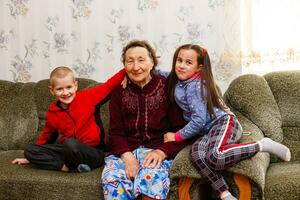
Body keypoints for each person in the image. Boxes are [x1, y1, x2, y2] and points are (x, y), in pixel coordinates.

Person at [163, 44, 291, 200]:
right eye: (179, 60)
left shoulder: (195, 87)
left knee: (215, 157)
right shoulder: (180, 81)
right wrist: (145, 66)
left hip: (224, 123)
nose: (181, 65)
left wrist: (176, 136)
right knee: (196, 154)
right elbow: (160, 74)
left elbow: (198, 121)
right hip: (208, 131)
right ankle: (224, 193)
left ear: (199, 68)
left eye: (188, 62)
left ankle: (262, 144)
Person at [101, 40, 187, 200]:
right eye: (130, 61)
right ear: (124, 65)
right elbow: (115, 132)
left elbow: (181, 130)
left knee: (150, 179)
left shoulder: (168, 87)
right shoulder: (118, 91)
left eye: (141, 60)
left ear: (152, 62)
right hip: (125, 152)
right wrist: (128, 158)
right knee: (112, 179)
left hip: (157, 151)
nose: (135, 67)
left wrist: (162, 152)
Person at [12, 66, 125, 172]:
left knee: (70, 143)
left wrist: (130, 67)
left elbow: (109, 85)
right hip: (68, 152)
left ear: (75, 85)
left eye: (69, 87)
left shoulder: (88, 97)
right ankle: (66, 167)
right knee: (30, 150)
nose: (65, 93)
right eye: (59, 89)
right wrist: (31, 157)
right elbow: (46, 136)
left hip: (93, 152)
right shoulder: (53, 111)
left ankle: (76, 165)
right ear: (52, 90)